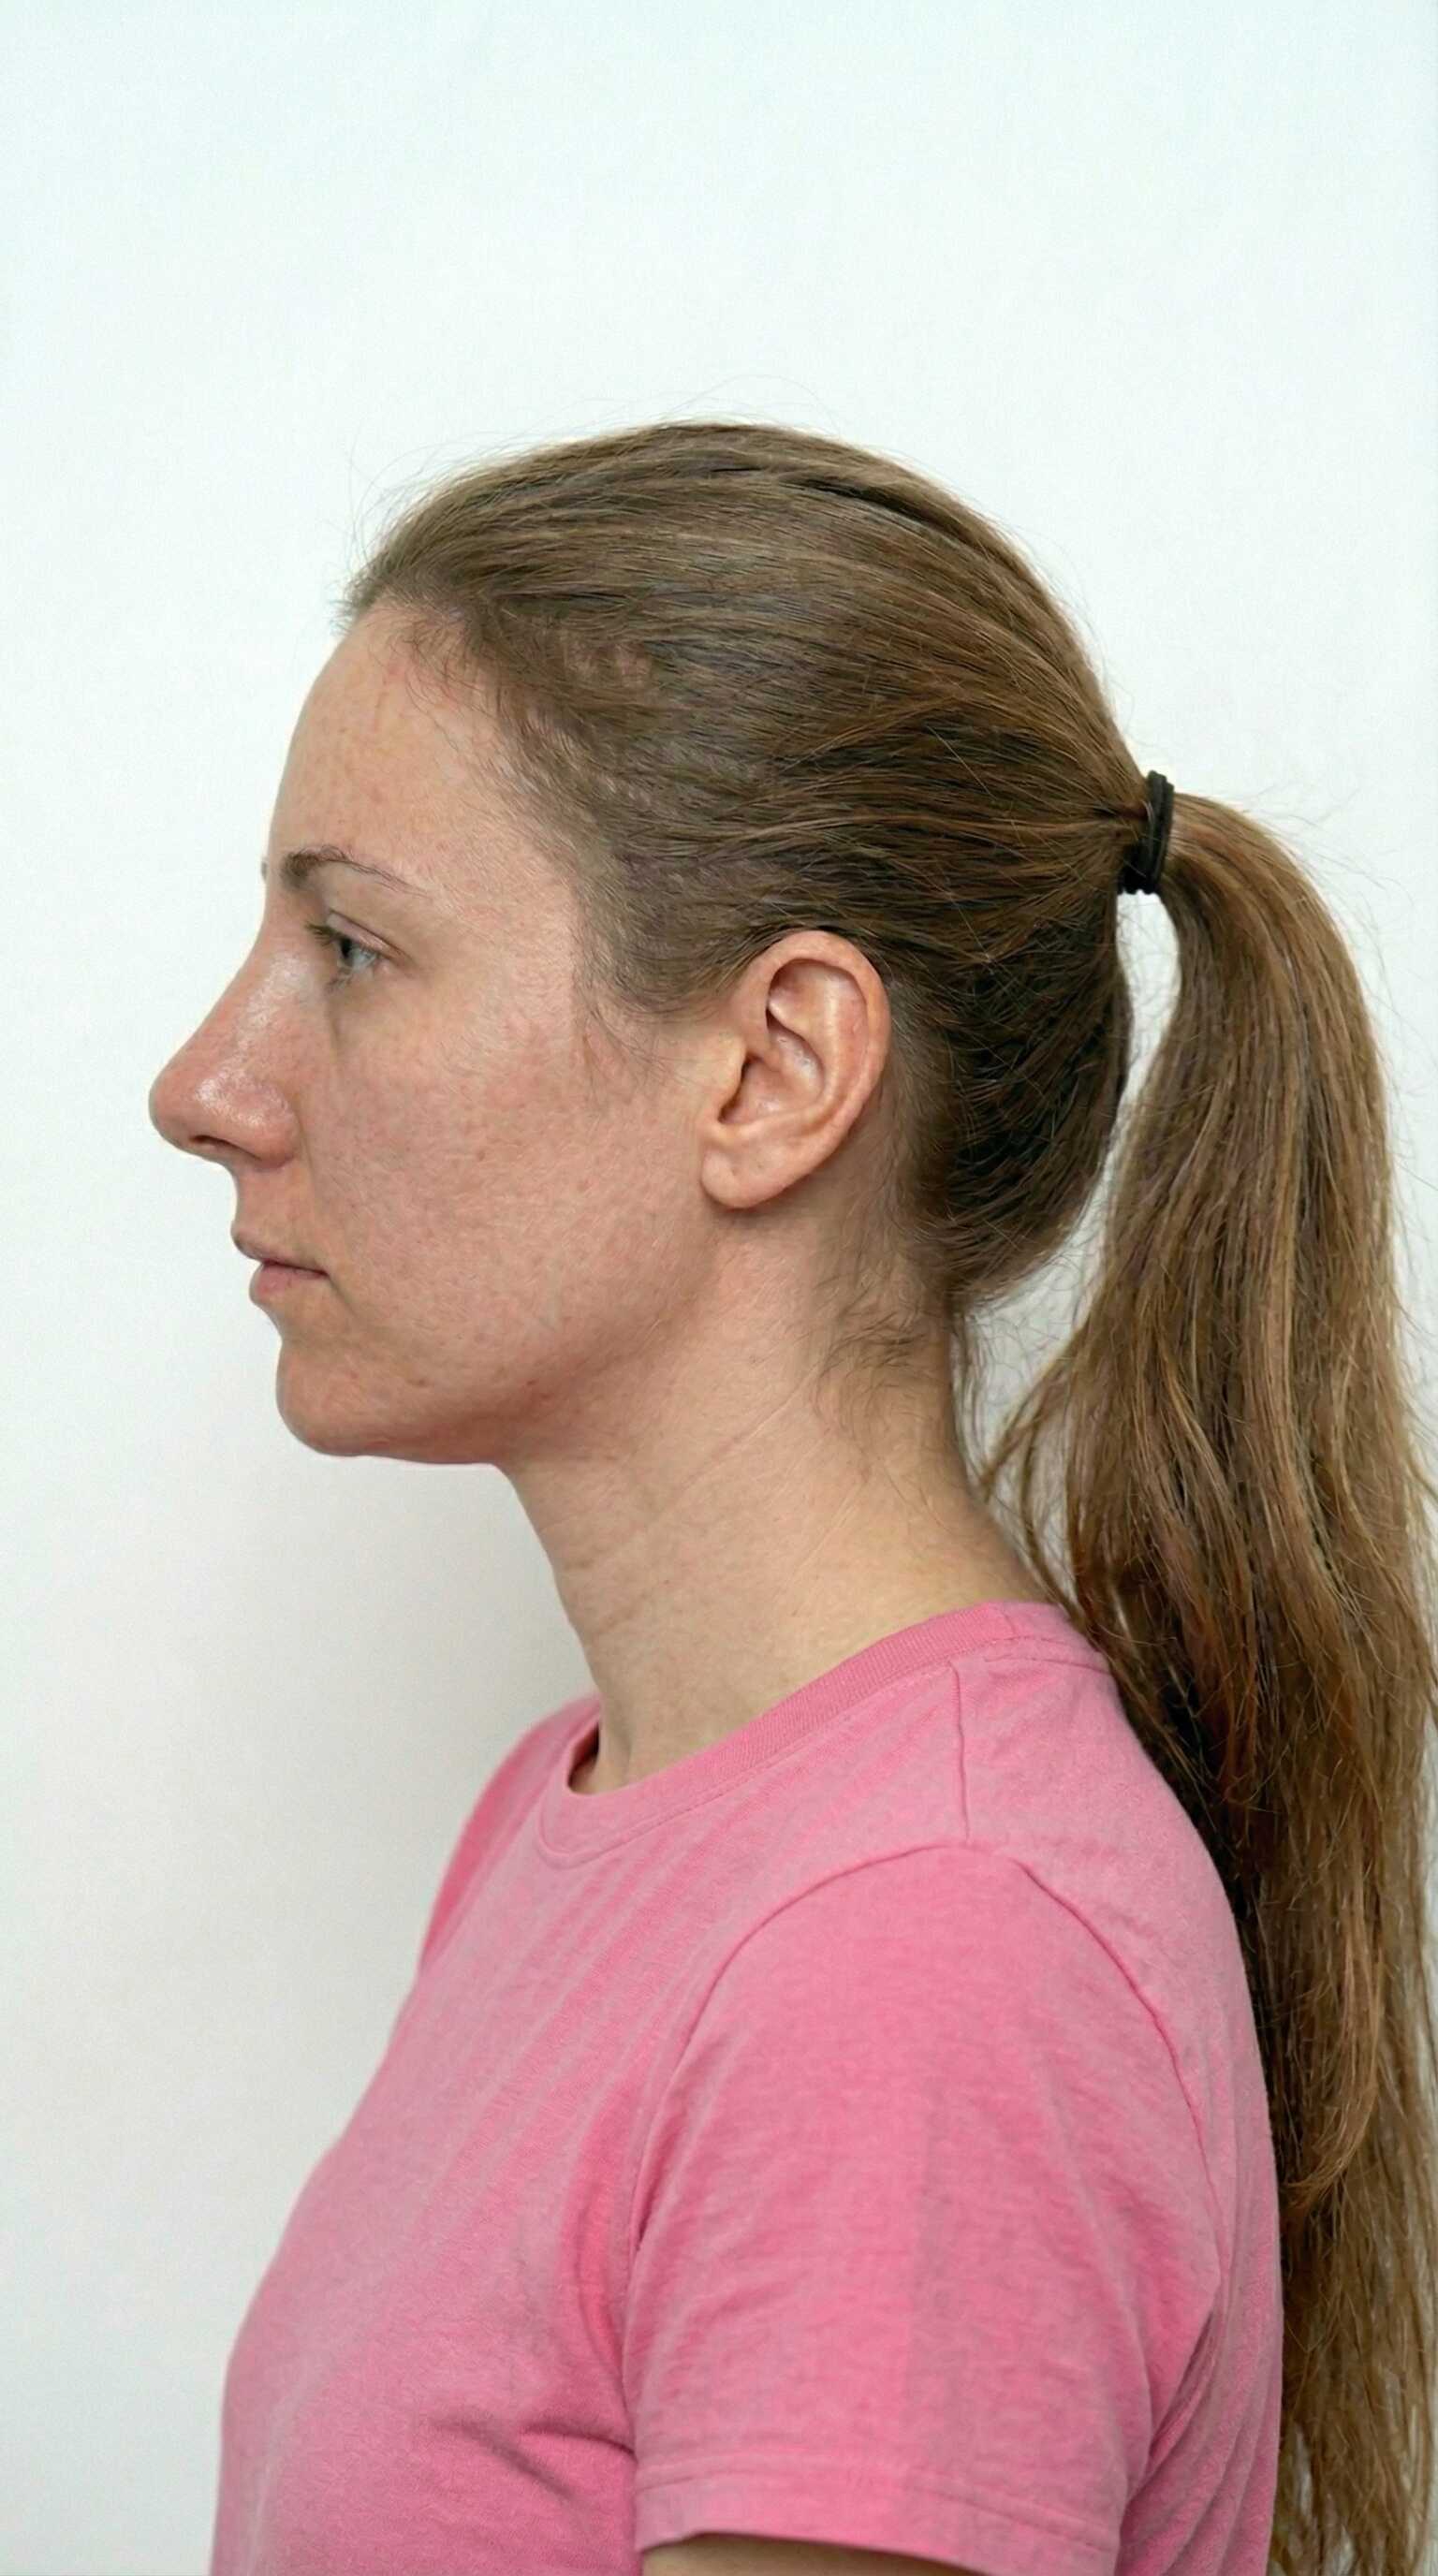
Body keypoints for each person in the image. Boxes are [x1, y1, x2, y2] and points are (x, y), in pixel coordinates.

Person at [148, 420, 1438, 2576]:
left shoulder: (920, 1945)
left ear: (773, 1071)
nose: (206, 1083)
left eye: (351, 948)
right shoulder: (589, 1812)